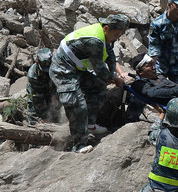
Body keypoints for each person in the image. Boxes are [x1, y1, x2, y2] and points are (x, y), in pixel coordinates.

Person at [49, 14, 129, 153]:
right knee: (77, 104)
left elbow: (110, 54)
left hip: (76, 67)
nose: (117, 38)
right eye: (116, 34)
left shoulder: (108, 36)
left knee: (98, 86)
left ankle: (90, 123)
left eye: (120, 35)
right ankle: (79, 145)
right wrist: (115, 79)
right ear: (106, 28)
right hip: (63, 69)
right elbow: (99, 69)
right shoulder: (95, 40)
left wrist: (113, 73)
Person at [26, 47, 58, 125]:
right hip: (37, 90)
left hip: (51, 87)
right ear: (37, 62)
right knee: (35, 116)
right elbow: (38, 99)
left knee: (55, 107)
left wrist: (55, 96)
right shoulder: (33, 75)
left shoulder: (57, 64)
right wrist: (44, 117)